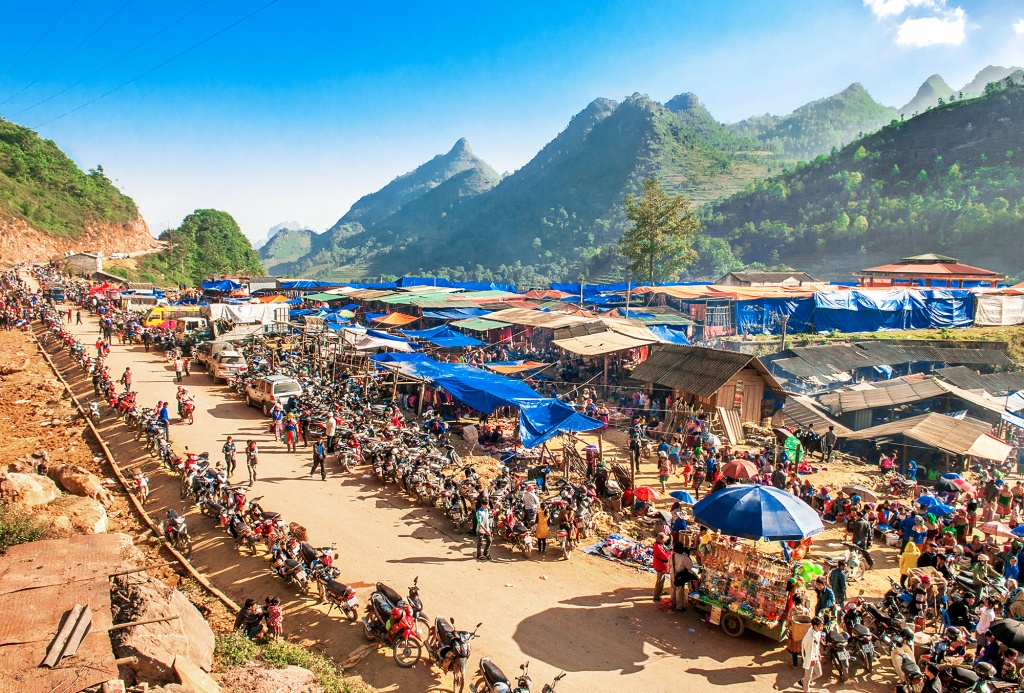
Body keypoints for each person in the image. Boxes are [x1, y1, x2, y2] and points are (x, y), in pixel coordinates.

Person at [786, 594, 812, 667]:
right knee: (804, 648)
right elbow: (809, 620)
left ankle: (795, 664)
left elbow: (788, 621)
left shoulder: (792, 610)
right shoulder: (806, 610)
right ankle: (804, 662)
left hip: (794, 632)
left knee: (795, 648)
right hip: (804, 632)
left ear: (794, 602)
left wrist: (787, 628)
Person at [801, 617, 824, 693]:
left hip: (815, 656)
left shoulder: (817, 632)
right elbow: (807, 649)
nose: (821, 627)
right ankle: (806, 690)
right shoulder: (810, 637)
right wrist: (811, 659)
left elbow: (817, 645)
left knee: (818, 673)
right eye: (820, 626)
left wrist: (818, 654)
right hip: (810, 658)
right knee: (808, 676)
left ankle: (803, 681)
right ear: (815, 626)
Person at [670, 542, 695, 611]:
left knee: (673, 588)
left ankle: (673, 603)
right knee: (679, 590)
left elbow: (669, 564)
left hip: (672, 573)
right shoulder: (685, 558)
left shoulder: (672, 556)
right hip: (680, 575)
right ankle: (679, 606)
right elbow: (689, 567)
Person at [652, 533, 671, 603]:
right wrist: (670, 552)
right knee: (660, 580)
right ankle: (657, 595)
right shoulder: (658, 547)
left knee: (662, 580)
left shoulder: (658, 545)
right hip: (660, 565)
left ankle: (660, 591)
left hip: (660, 565)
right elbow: (665, 557)